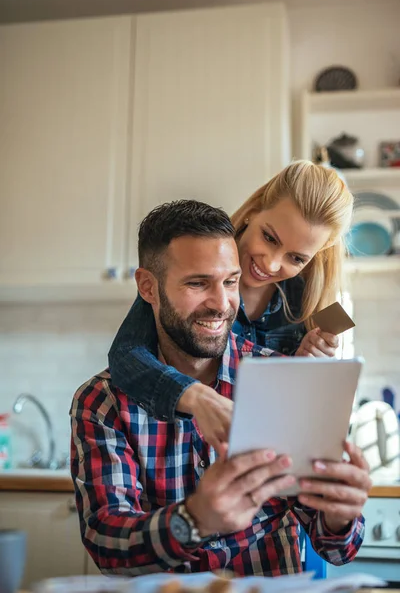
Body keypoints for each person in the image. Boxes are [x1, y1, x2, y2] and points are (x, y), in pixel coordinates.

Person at [70, 200, 370, 577]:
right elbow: (105, 542)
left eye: (231, 282)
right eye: (197, 283)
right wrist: (193, 520)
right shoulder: (102, 400)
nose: (221, 304)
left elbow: (338, 549)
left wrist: (339, 517)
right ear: (148, 286)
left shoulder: (280, 378)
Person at [108, 160, 353, 451]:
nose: (271, 263)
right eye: (269, 237)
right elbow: (125, 357)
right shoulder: (192, 264)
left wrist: (301, 370)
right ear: (252, 212)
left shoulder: (308, 302)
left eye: (296, 258)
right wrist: (196, 397)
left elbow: (296, 420)